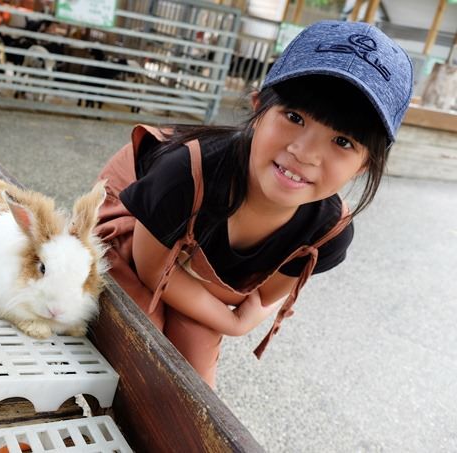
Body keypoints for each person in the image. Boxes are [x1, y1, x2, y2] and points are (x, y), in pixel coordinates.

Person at [94, 20, 414, 388]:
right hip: (136, 219)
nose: (304, 154)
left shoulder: (326, 232)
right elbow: (151, 269)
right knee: (138, 332)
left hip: (192, 257)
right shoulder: (183, 171)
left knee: (193, 360)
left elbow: (259, 295)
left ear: (364, 165)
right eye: (294, 118)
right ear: (258, 107)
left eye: (343, 142)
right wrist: (235, 323)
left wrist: (230, 316)